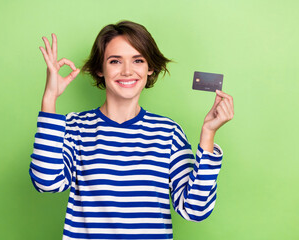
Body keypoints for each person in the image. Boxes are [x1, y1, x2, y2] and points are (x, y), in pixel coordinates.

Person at [29, 20, 234, 240]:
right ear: (100, 69)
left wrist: (208, 135)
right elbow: (46, 182)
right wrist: (49, 100)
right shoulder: (76, 127)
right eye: (115, 61)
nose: (127, 71)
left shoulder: (168, 133)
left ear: (150, 68)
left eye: (138, 60)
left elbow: (195, 210)